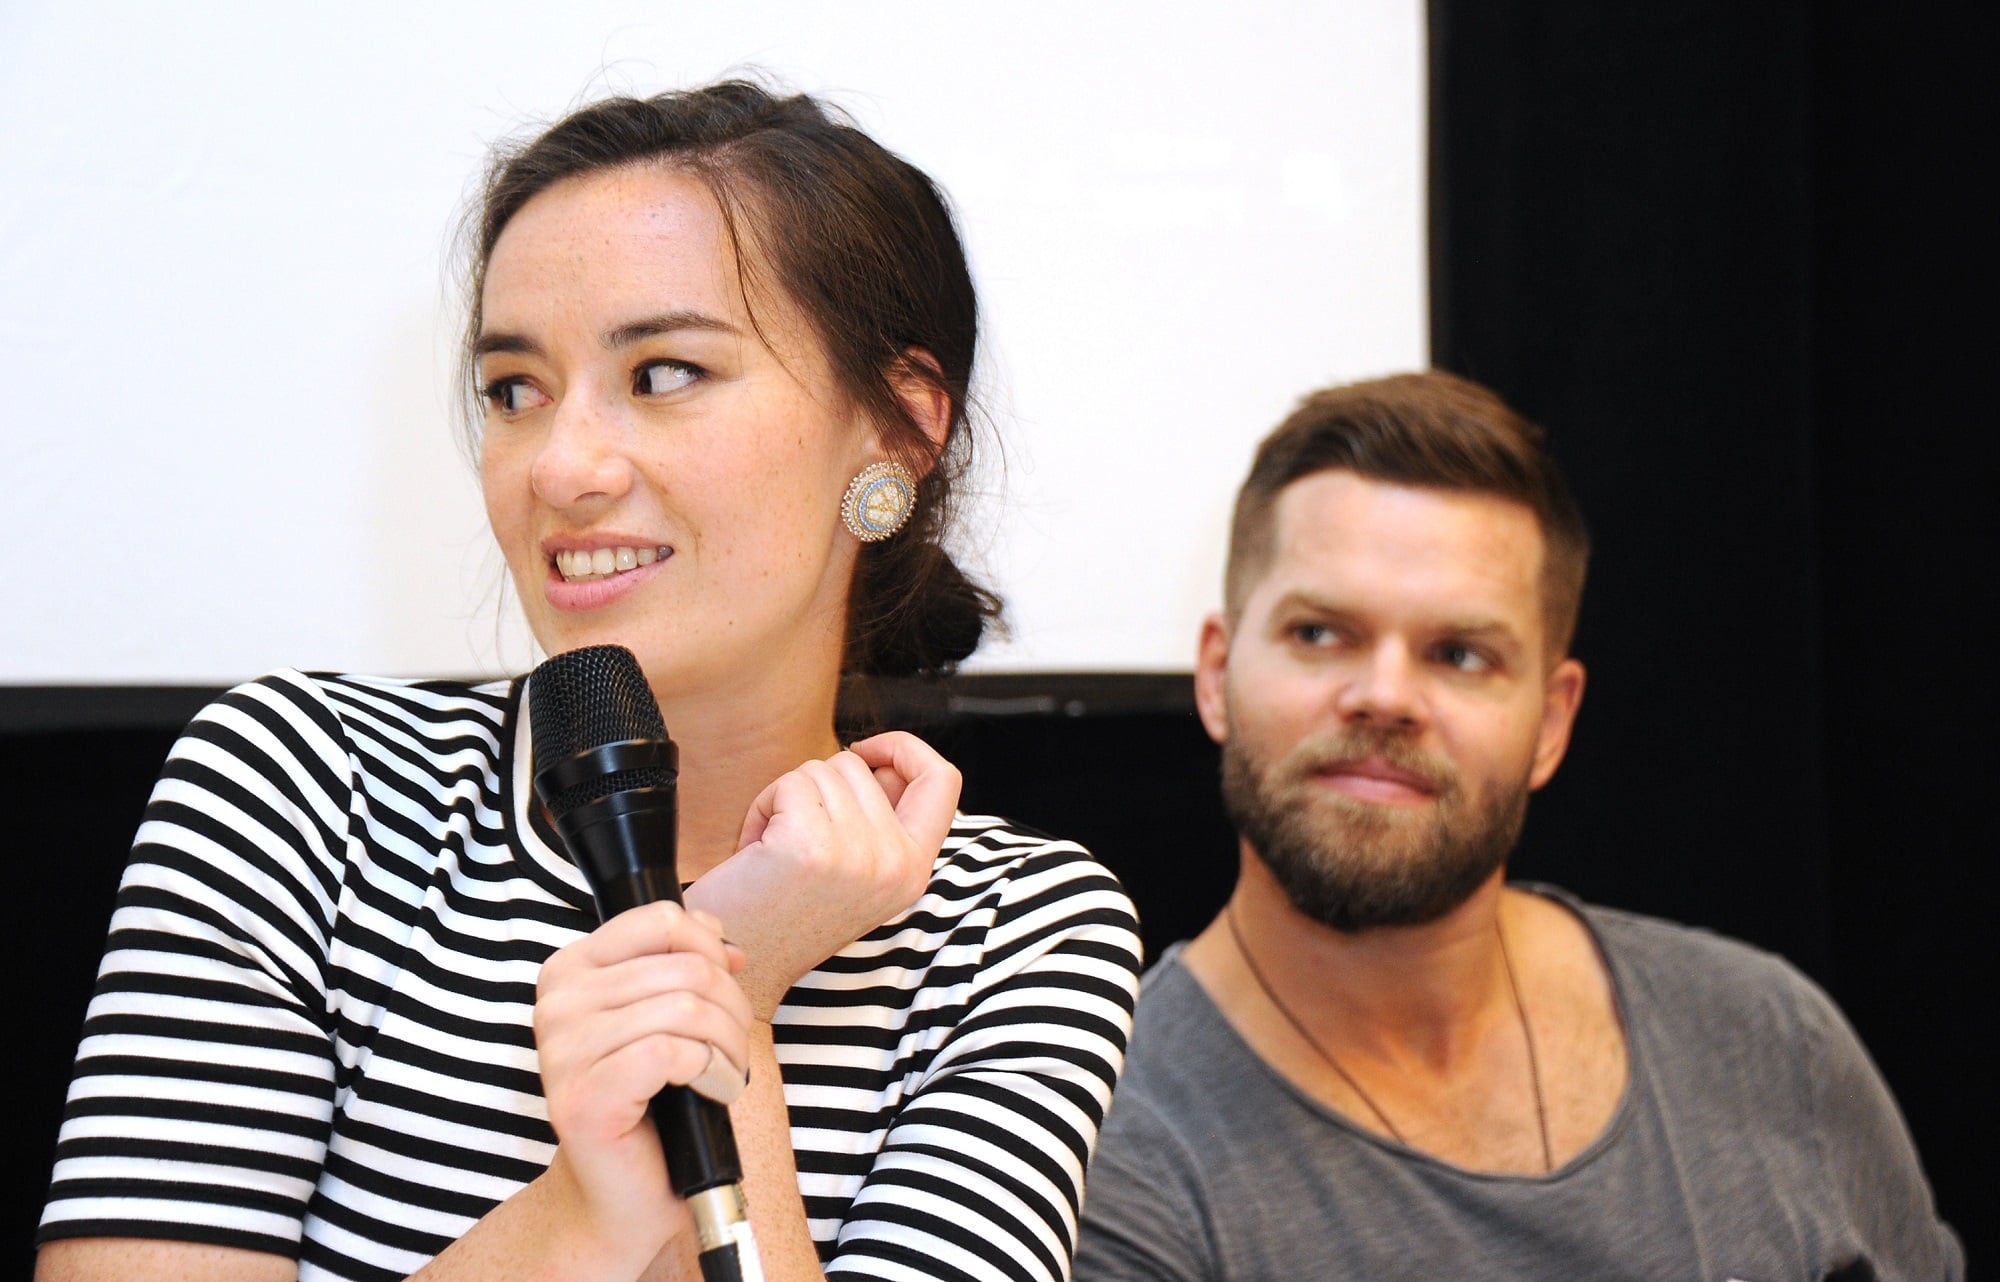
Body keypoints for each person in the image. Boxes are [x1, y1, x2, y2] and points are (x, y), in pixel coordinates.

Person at [37, 81, 1141, 1282]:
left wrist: (733, 991)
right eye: (514, 389)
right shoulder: (308, 787)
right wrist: (585, 1212)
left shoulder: (1017, 932)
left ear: (896, 432)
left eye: (663, 373)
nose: (559, 467)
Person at [1073, 371, 1960, 1280]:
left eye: (1460, 654)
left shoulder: (1773, 1041)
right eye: (1321, 634)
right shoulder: (1098, 1144)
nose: (1385, 696)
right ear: (1216, 675)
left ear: (1552, 722)